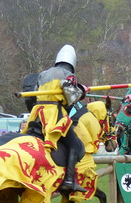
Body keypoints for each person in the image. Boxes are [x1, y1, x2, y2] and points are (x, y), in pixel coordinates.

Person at [24, 44, 87, 194]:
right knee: (74, 144)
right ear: (72, 62)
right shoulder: (69, 76)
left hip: (38, 113)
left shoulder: (43, 74)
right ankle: (69, 180)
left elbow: (34, 93)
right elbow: (71, 99)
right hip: (54, 114)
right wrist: (81, 91)